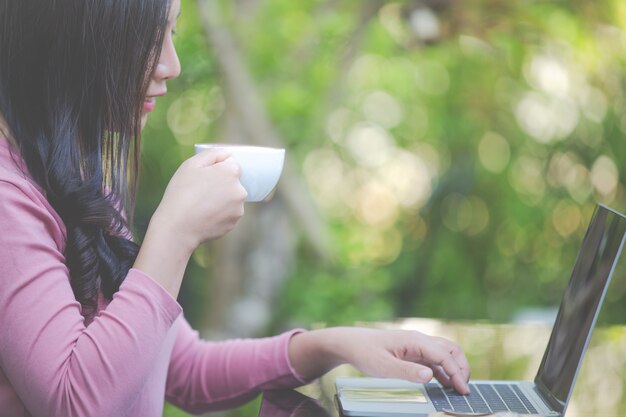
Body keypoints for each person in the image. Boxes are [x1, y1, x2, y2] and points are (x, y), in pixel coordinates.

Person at [0, 1, 470, 416]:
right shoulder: (9, 199)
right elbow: (75, 403)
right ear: (74, 40)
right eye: (149, 36)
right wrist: (175, 233)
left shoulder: (77, 183)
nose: (172, 65)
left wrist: (337, 344)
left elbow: (183, 369)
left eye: (173, 32)